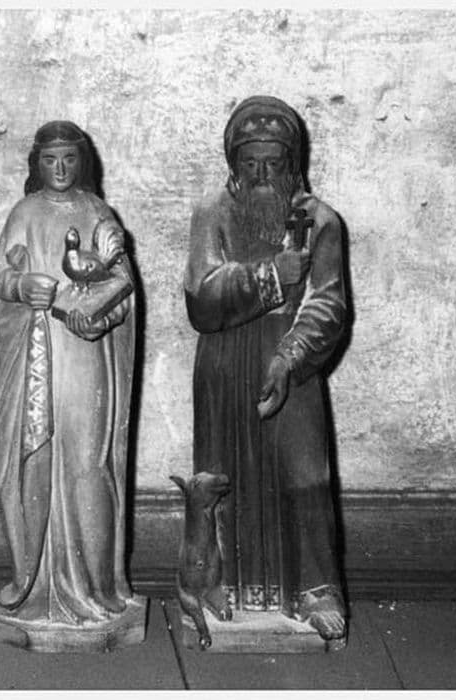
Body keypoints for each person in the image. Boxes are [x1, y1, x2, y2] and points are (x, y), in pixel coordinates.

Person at [183, 95, 348, 641]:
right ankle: (215, 583)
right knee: (220, 479)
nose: (260, 174)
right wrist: (272, 274)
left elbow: (327, 304)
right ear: (233, 162)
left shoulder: (319, 220)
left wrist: (289, 357)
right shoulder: (213, 212)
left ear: (291, 163)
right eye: (249, 162)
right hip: (224, 364)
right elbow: (201, 299)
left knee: (305, 477)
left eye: (272, 163)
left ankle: (316, 588)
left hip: (291, 363)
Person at [0, 121, 144, 650]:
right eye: (50, 159)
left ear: (83, 162)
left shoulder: (97, 212)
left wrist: (98, 315)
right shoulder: (25, 213)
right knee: (36, 455)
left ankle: (95, 588)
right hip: (37, 349)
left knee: (87, 462)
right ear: (37, 163)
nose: (60, 168)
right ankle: (36, 586)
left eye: (69, 158)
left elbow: (121, 282)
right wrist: (21, 284)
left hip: (83, 354)